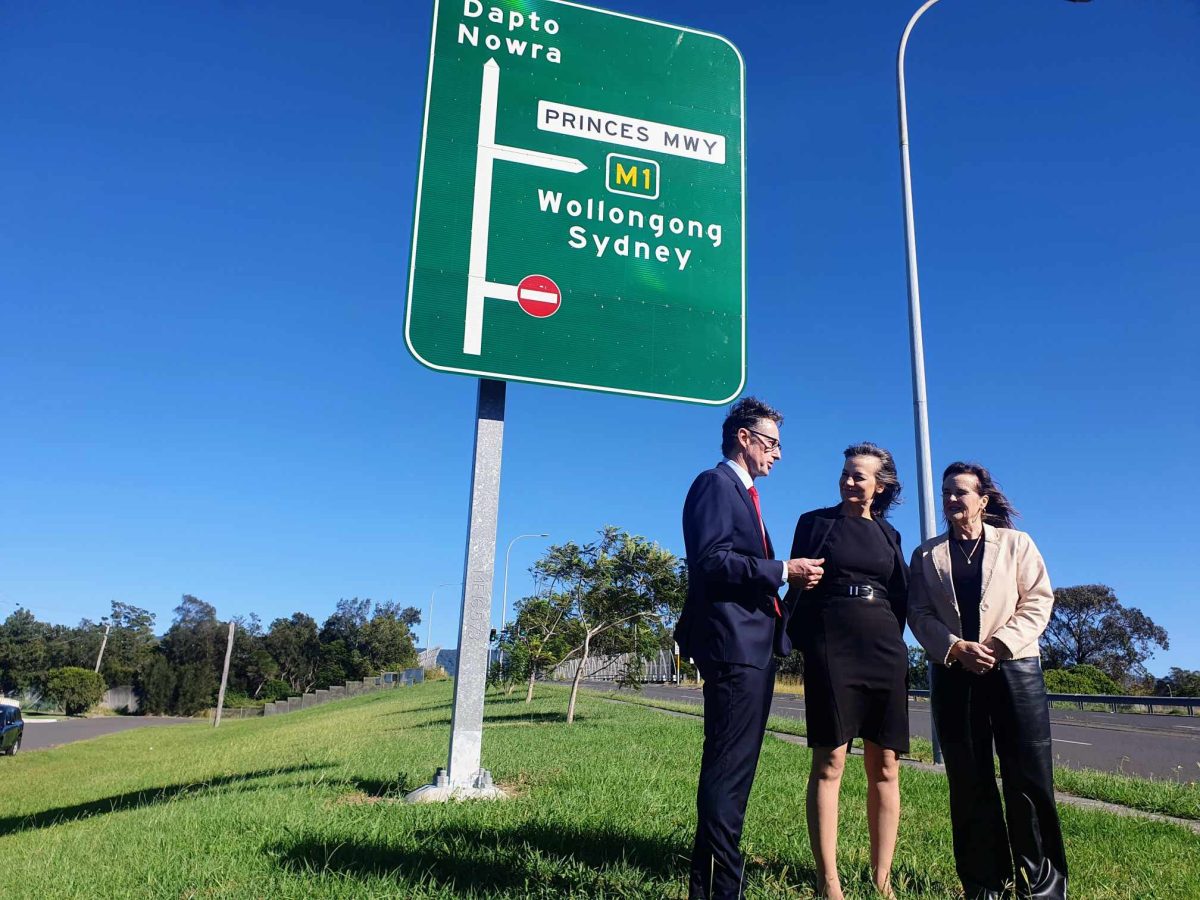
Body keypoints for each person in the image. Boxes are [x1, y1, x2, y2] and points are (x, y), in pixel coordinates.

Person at [675, 397, 825, 900]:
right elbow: (712, 560)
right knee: (727, 771)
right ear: (744, 438)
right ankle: (723, 890)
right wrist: (784, 569)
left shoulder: (745, 495)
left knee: (731, 772)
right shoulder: (715, 485)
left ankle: (710, 888)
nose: (778, 455)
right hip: (734, 648)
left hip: (752, 648)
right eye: (772, 443)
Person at [908, 462, 1066, 900]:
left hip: (1015, 669)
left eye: (961, 492)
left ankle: (1043, 886)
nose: (952, 500)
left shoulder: (1017, 544)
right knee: (969, 782)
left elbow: (1038, 601)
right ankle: (983, 885)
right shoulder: (927, 555)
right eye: (946, 493)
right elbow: (917, 614)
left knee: (1029, 779)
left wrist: (997, 646)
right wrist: (957, 647)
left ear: (983, 498)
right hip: (955, 672)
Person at [787, 442, 909, 900]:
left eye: (859, 475)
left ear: (881, 485)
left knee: (887, 765)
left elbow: (900, 598)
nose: (849, 481)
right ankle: (829, 882)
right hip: (831, 643)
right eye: (845, 473)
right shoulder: (815, 523)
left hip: (884, 646)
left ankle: (883, 881)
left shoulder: (890, 536)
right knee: (830, 759)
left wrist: (893, 642)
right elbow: (799, 585)